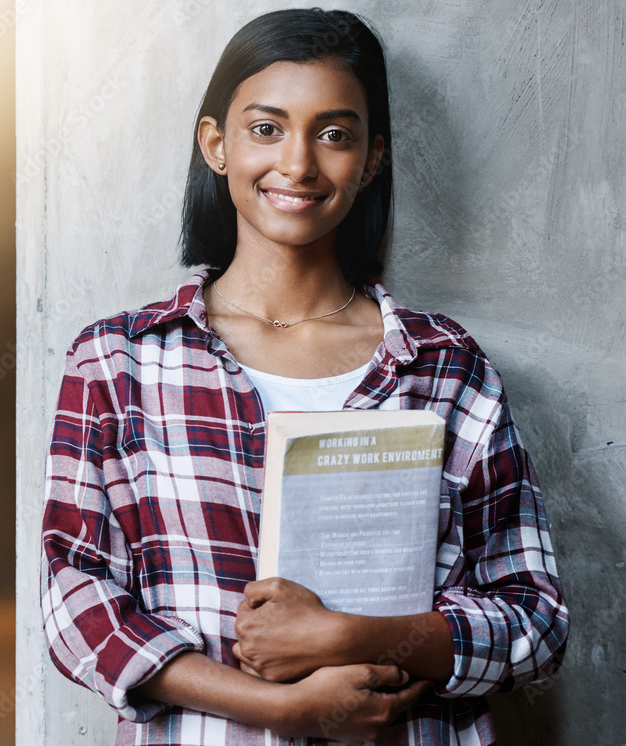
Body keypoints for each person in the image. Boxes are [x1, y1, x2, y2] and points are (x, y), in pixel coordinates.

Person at [40, 8, 568, 745]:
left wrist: (349, 636)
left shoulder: (446, 365)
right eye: (266, 128)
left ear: (372, 158)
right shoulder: (120, 360)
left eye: (334, 134)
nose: (298, 164)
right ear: (216, 144)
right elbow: (76, 604)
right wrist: (282, 709)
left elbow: (535, 619)